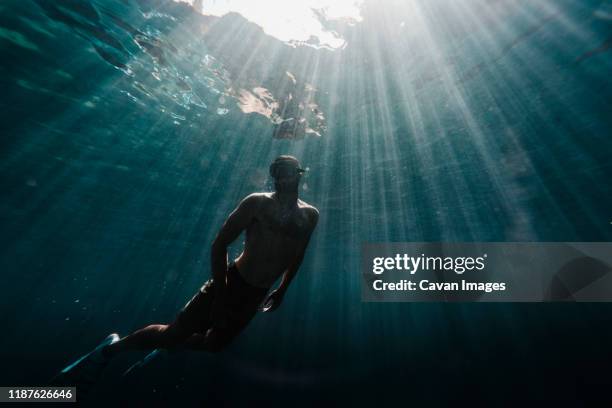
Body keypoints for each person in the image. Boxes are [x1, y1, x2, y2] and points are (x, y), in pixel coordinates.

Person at [58, 155, 318, 381]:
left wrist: (282, 289)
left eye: (288, 170)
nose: (281, 177)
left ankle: (170, 345)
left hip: (257, 293)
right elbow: (219, 245)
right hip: (232, 280)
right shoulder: (256, 203)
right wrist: (220, 294)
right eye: (277, 171)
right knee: (172, 334)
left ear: (298, 174)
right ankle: (109, 350)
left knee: (214, 345)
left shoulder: (310, 215)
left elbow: (298, 254)